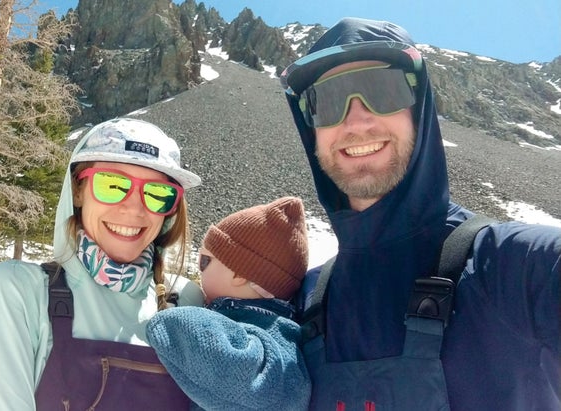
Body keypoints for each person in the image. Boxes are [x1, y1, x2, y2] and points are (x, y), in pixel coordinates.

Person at [280, 17, 561, 410]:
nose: (357, 120)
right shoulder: (307, 299)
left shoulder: (509, 267)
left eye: (383, 89)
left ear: (420, 107)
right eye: (327, 100)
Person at [0, 117, 204, 411]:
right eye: (112, 185)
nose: (135, 208)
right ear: (77, 190)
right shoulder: (19, 293)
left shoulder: (187, 303)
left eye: (158, 194)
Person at [145, 196, 312, 411]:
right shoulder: (270, 323)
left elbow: (240, 372)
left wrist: (168, 321)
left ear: (239, 275)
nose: (199, 269)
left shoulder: (274, 335)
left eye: (204, 261)